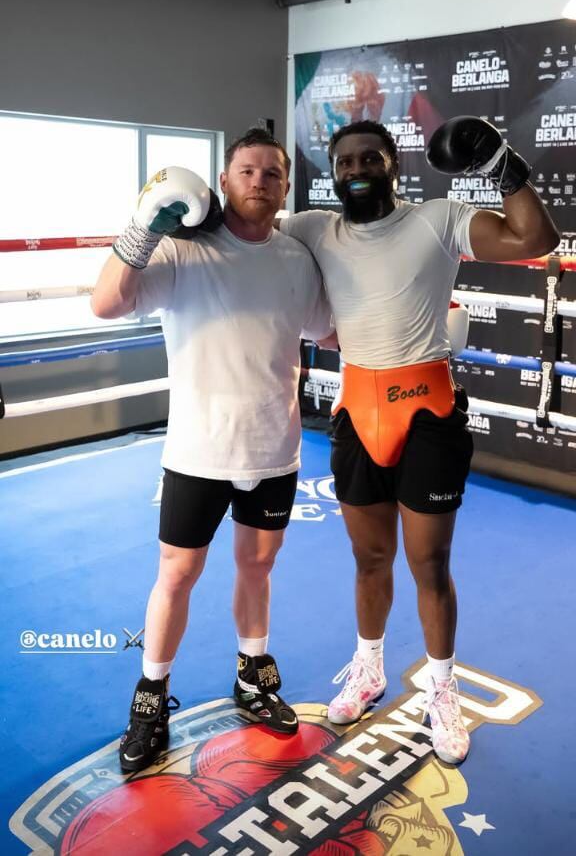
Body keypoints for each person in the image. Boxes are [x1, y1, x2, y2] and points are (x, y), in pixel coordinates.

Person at [279, 116, 559, 763]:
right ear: (333, 172)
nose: (356, 171)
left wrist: (501, 167)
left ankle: (441, 688)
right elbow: (245, 232)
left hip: (427, 410)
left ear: (392, 164)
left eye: (369, 159)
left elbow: (536, 237)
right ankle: (369, 666)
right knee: (369, 560)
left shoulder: (438, 218)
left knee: (429, 564)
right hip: (356, 410)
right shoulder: (313, 228)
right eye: (345, 162)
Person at [91, 128, 333, 772]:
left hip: (275, 449)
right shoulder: (182, 250)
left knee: (257, 569)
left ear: (285, 188)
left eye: (273, 174)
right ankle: (150, 696)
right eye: (247, 170)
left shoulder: (295, 259)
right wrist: (143, 227)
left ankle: (252, 675)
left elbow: (331, 330)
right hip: (198, 451)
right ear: (224, 181)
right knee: (176, 575)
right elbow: (105, 304)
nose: (260, 181)